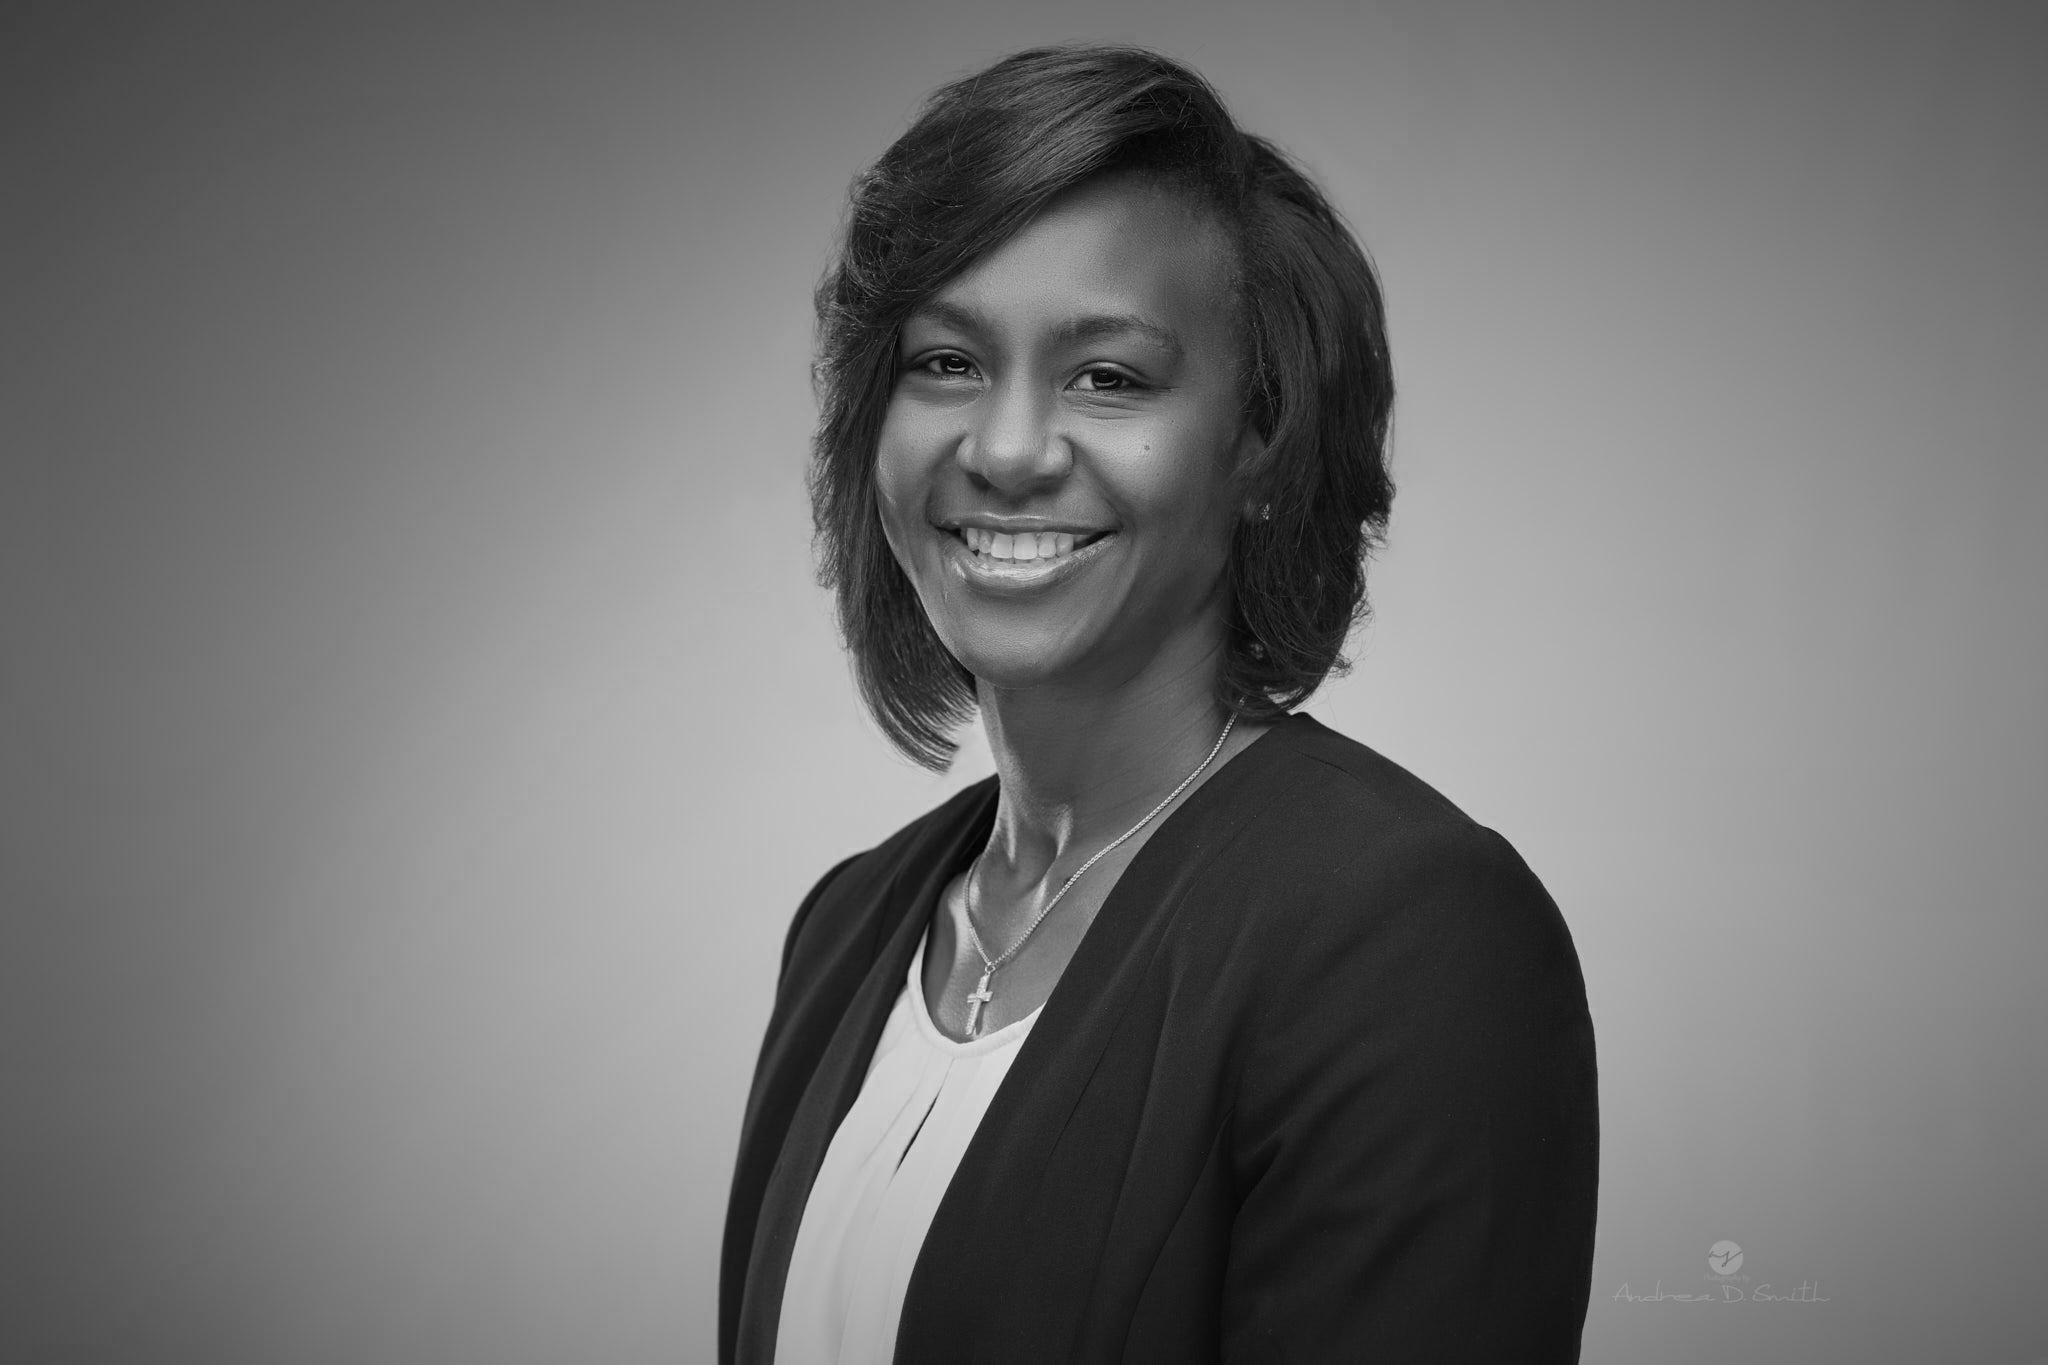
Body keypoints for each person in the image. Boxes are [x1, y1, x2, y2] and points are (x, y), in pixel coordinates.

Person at [720, 44, 1598, 1364]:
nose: (1006, 449)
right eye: (947, 361)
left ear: (1261, 442)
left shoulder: (1413, 939)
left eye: (1108, 376)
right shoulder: (847, 928)